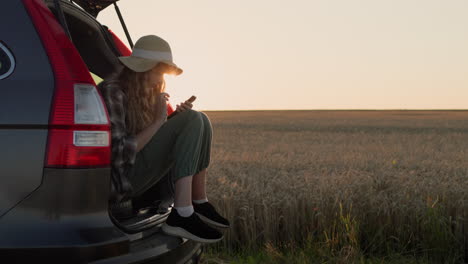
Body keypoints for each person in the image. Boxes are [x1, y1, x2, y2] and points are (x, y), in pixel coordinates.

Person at [98, 35, 230, 243]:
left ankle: (198, 201)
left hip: (141, 177)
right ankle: (182, 214)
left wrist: (172, 120)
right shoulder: (113, 91)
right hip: (121, 181)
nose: (162, 79)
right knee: (193, 119)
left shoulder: (146, 93)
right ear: (142, 69)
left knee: (199, 118)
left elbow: (150, 141)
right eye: (159, 72)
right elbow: (119, 153)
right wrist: (159, 122)